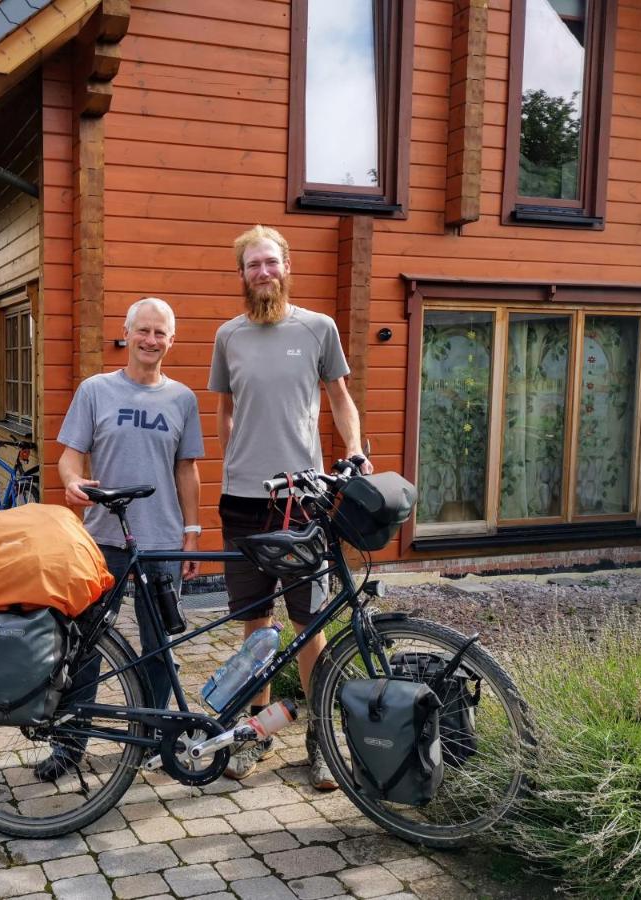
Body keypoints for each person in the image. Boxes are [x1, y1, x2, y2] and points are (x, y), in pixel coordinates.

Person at [208, 224, 373, 789]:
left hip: (302, 499)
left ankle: (322, 740)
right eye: (252, 264)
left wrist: (354, 449)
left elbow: (341, 400)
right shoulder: (228, 336)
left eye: (270, 262)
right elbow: (225, 411)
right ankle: (256, 734)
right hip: (242, 501)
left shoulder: (318, 328)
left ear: (286, 266)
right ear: (241, 274)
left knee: (309, 621)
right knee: (256, 623)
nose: (263, 272)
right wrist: (235, 460)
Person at [36, 296, 204, 781]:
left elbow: (186, 469)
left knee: (158, 646)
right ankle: (69, 744)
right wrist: (72, 480)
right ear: (126, 334)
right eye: (143, 331)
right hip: (103, 540)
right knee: (84, 645)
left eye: (160, 333)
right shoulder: (96, 390)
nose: (151, 340)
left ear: (171, 340)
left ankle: (150, 738)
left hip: (162, 541)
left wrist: (192, 533)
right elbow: (70, 455)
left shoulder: (183, 399)